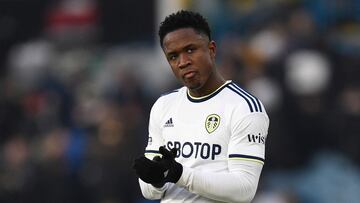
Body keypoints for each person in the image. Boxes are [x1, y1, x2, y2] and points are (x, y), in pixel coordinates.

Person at [133, 10, 269, 203]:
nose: (183, 62)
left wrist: (181, 174)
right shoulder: (163, 106)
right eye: (173, 56)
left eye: (190, 50)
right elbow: (149, 191)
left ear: (211, 50)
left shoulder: (244, 107)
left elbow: (244, 189)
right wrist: (155, 180)